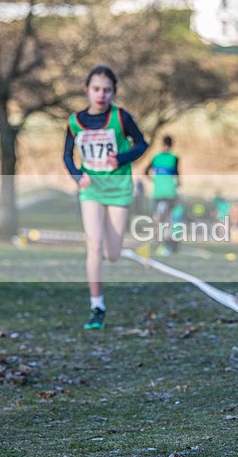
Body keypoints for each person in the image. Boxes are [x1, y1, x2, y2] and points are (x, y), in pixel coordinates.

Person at [63, 65, 148, 329]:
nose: (101, 95)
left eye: (107, 90)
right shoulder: (75, 122)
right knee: (94, 246)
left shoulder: (121, 117)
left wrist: (120, 158)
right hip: (91, 190)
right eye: (97, 89)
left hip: (119, 189)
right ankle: (97, 306)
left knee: (112, 254)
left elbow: (141, 144)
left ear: (114, 92)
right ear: (86, 89)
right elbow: (67, 156)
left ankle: (112, 260)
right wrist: (78, 176)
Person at [145, 135, 180, 256]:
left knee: (157, 220)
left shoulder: (156, 158)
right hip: (170, 193)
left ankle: (156, 244)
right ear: (171, 145)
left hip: (158, 193)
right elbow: (177, 176)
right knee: (167, 221)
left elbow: (146, 172)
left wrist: (154, 181)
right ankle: (166, 246)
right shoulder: (174, 158)